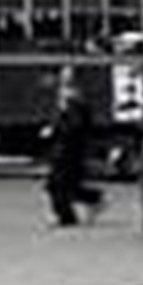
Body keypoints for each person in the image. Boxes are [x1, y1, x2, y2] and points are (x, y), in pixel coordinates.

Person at [43, 65, 102, 227]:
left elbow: (76, 124)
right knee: (64, 184)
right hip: (63, 146)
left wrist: (56, 129)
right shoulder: (65, 97)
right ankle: (85, 204)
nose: (63, 79)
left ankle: (67, 215)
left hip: (70, 148)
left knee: (58, 184)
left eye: (67, 76)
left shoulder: (76, 100)